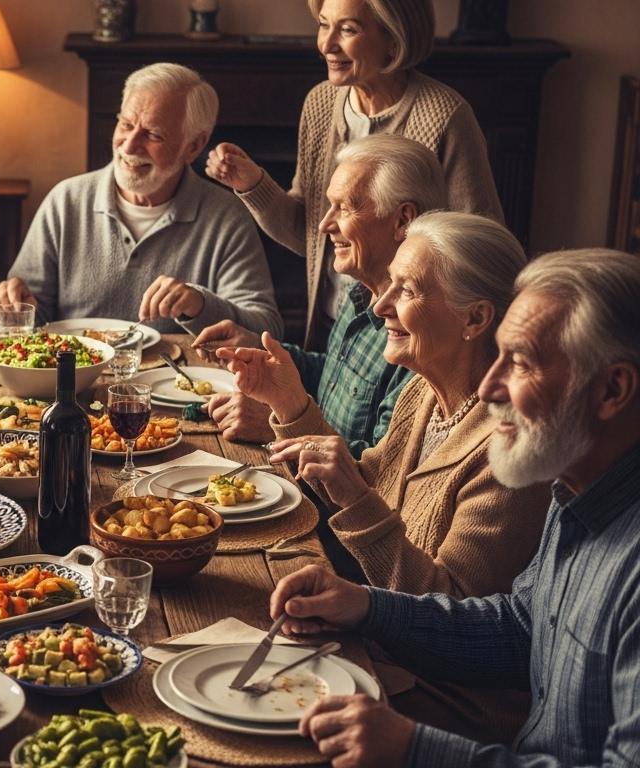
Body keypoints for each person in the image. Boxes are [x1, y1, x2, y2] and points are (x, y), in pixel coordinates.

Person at [270, 250, 640, 767]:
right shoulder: (574, 491)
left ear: (612, 390)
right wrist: (366, 606)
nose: (489, 388)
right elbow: (518, 628)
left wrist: (415, 750)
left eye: (522, 363)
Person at [221, 212, 551, 741]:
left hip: (442, 708)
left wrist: (352, 496)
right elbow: (371, 480)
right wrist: (289, 402)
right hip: (374, 653)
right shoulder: (425, 391)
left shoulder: (510, 452)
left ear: (474, 319)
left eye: (408, 290)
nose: (380, 305)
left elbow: (452, 617)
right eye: (389, 283)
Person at [207, 0, 502, 350]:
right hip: (332, 324)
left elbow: (480, 251)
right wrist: (252, 183)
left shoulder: (445, 116)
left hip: (408, 333)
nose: (326, 44)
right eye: (323, 24)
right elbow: (312, 233)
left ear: (393, 38)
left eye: (347, 29)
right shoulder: (320, 103)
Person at [0, 63, 281, 337]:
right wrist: (8, 307)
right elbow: (30, 318)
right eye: (126, 125)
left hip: (176, 385)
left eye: (153, 134)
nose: (129, 145)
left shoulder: (226, 217)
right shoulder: (65, 202)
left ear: (193, 146)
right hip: (71, 380)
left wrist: (200, 305)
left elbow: (266, 329)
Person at [194, 134, 439, 453]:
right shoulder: (360, 290)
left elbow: (381, 472)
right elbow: (334, 381)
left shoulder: (421, 337)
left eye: (345, 208)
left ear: (403, 220)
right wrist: (260, 349)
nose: (324, 224)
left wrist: (275, 424)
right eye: (329, 206)